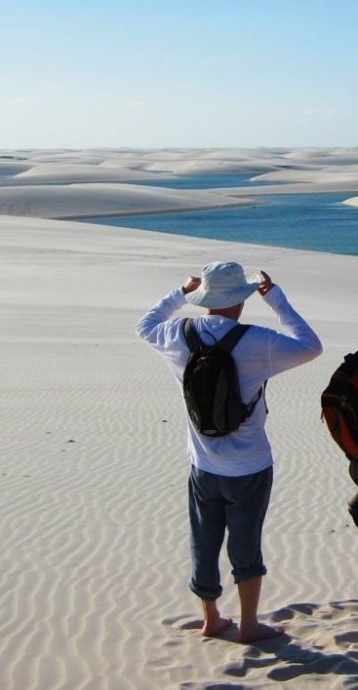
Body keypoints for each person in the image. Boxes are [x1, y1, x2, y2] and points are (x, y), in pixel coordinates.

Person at [137, 261, 322, 643]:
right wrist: (278, 301)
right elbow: (310, 346)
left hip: (203, 464)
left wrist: (179, 294)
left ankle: (211, 618)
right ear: (241, 300)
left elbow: (145, 325)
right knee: (245, 541)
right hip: (251, 464)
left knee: (203, 540)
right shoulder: (258, 341)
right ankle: (250, 625)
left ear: (204, 296)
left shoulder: (176, 334)